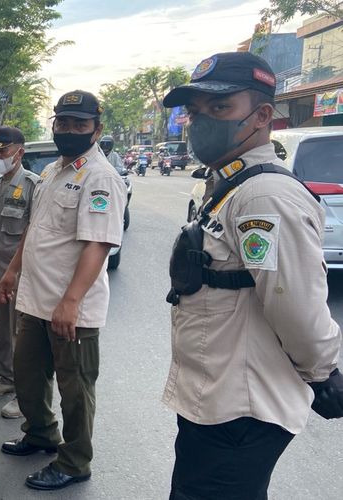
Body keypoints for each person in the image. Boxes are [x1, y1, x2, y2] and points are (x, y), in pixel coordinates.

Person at [162, 51, 342, 499]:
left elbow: (296, 306)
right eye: (196, 109)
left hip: (239, 411)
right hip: (216, 398)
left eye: (220, 107)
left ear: (262, 115)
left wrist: (323, 375)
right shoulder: (231, 183)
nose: (202, 120)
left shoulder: (265, 195)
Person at [0, 90, 127, 490]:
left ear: (96, 130)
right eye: (63, 122)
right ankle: (41, 434)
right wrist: (12, 271)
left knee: (75, 388)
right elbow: (35, 230)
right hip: (36, 299)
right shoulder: (54, 170)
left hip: (72, 308)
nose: (69, 130)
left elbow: (98, 243)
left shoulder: (101, 177)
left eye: (79, 124)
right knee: (28, 375)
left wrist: (71, 302)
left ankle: (74, 462)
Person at [0, 127, 39, 420]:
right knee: (2, 328)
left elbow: (32, 233)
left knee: (23, 336)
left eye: (3, 152)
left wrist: (14, 272)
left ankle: (25, 394)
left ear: (19, 152)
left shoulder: (32, 185)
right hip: (0, 269)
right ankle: (6, 378)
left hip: (22, 273)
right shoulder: (1, 183)